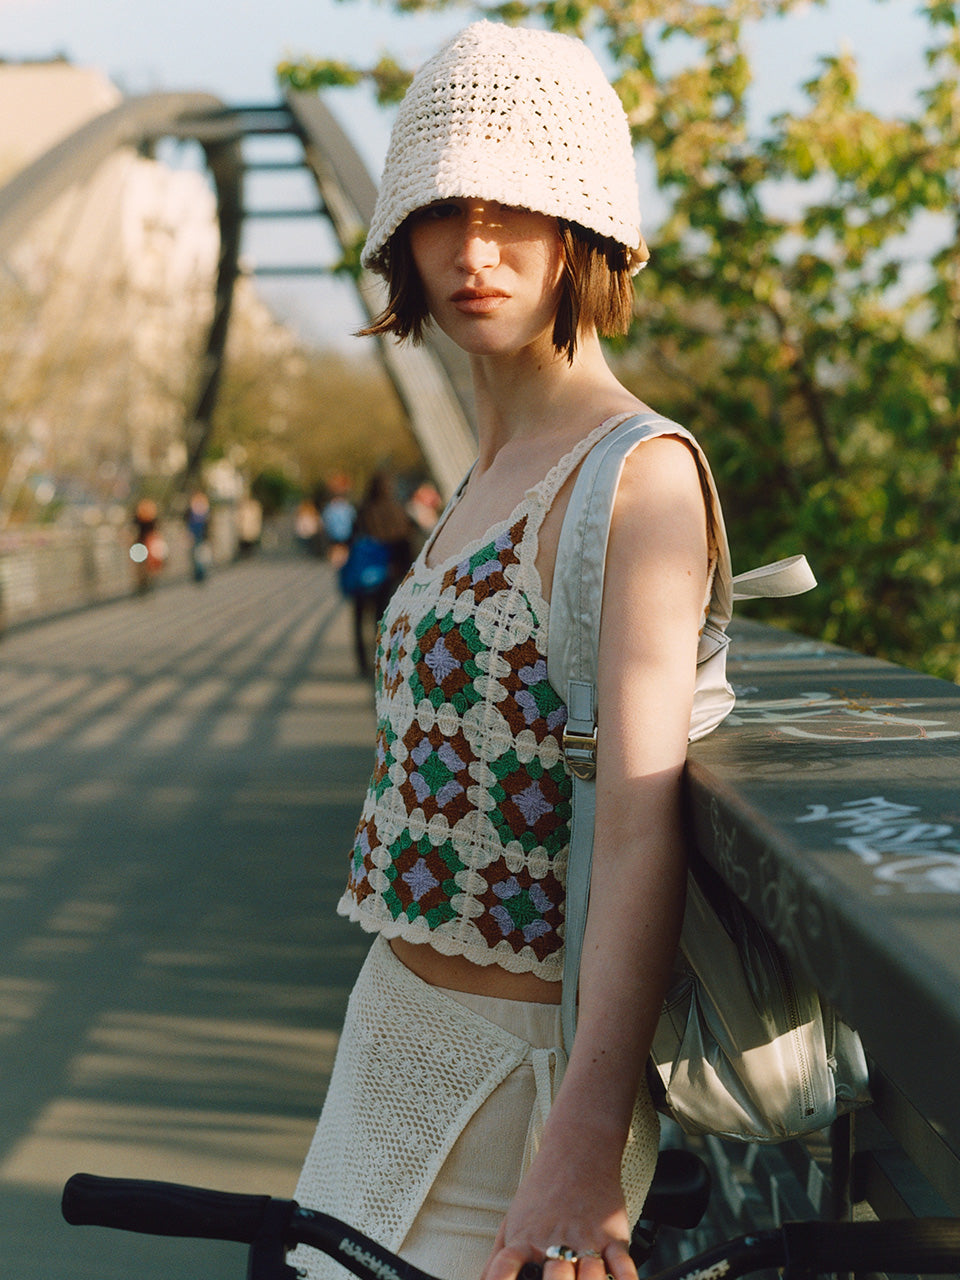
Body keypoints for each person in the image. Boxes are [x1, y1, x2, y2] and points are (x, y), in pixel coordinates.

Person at [291, 21, 724, 1280]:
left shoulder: (636, 475)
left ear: (581, 225)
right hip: (393, 1031)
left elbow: (645, 825)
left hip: (528, 1078)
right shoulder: (483, 469)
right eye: (441, 212)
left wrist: (589, 1130)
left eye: (514, 213)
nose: (473, 252)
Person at [349, 469, 417, 675]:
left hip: (364, 572)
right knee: (383, 619)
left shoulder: (363, 510)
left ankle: (362, 663)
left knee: (360, 618)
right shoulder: (398, 510)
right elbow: (407, 542)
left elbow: (352, 539)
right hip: (389, 572)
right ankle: (382, 661)